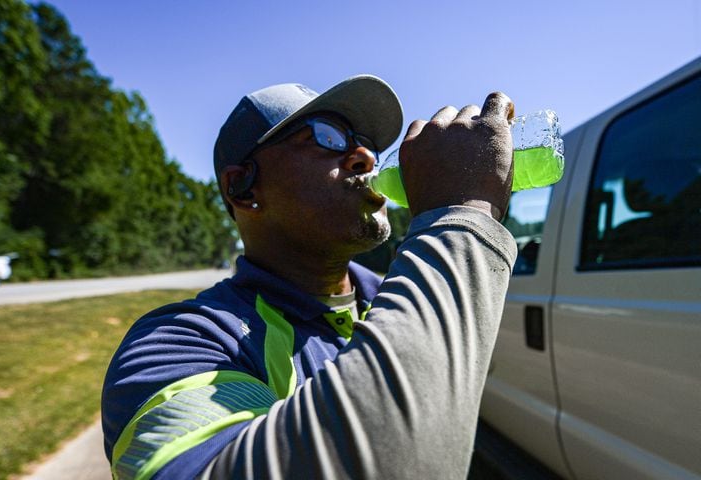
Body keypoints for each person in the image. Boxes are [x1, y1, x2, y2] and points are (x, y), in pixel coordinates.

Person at [102, 74, 517, 480]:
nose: (367, 157)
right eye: (327, 137)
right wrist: (460, 217)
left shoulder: (393, 296)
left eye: (368, 145)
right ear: (242, 187)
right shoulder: (178, 345)